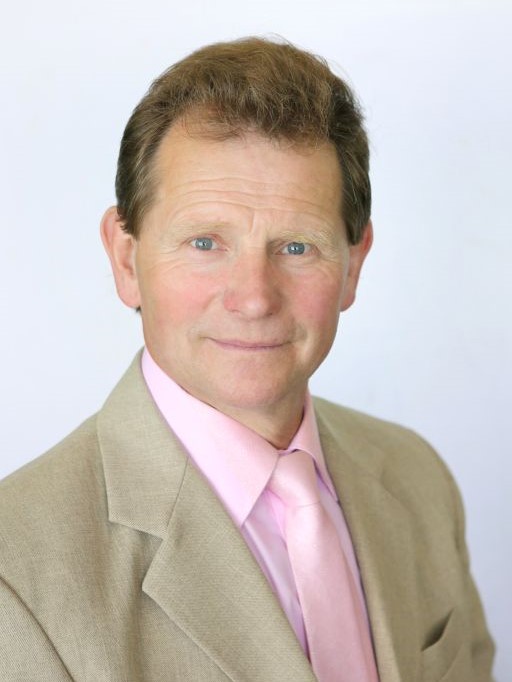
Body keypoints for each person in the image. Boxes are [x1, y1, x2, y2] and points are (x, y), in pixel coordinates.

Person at [0, 37, 495, 682]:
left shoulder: (419, 479)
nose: (255, 297)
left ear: (353, 266)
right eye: (205, 242)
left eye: (297, 247)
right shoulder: (17, 573)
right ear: (125, 260)